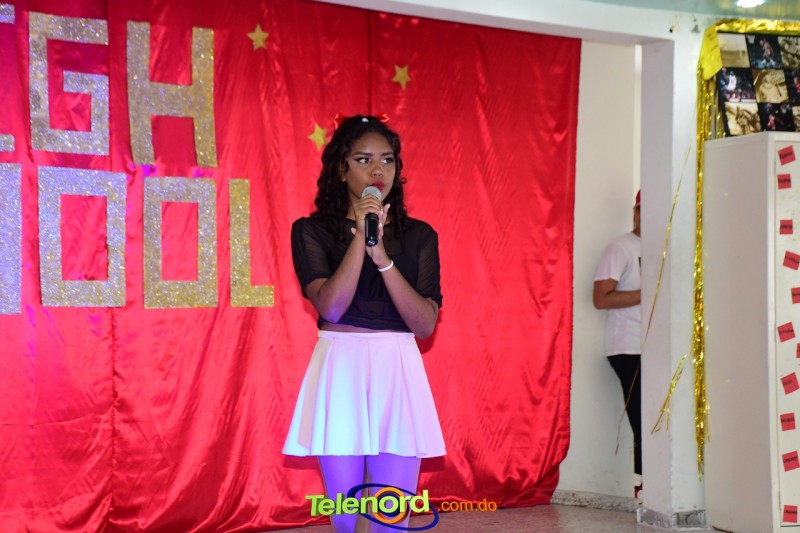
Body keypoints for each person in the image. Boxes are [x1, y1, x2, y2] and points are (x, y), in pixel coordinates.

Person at [283, 115, 446, 532]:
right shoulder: (311, 231)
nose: (378, 170)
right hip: (342, 365)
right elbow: (332, 307)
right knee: (345, 510)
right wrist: (361, 236)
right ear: (342, 169)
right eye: (364, 159)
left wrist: (384, 260)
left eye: (387, 160)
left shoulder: (420, 235)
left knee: (392, 514)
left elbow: (424, 324)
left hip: (397, 365)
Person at [593, 190, 642, 498]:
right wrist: (647, 293)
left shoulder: (665, 245)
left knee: (656, 421)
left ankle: (651, 487)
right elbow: (601, 298)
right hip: (628, 347)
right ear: (635, 212)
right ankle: (644, 489)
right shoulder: (621, 247)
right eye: (641, 209)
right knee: (643, 419)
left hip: (657, 348)